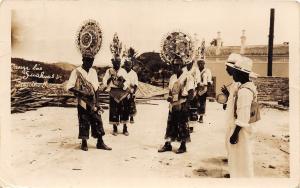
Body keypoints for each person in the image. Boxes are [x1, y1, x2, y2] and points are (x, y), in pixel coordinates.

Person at [66, 56, 112, 151]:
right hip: (82, 101)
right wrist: (82, 92)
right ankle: (84, 142)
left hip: (93, 100)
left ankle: (100, 142)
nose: (90, 63)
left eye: (91, 61)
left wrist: (97, 102)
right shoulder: (76, 72)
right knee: (83, 120)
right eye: (87, 60)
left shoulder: (93, 72)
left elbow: (96, 88)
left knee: (97, 120)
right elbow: (69, 87)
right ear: (83, 60)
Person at [226, 56, 258, 177]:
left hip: (241, 131)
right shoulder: (248, 86)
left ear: (240, 73)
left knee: (240, 161)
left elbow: (243, 116)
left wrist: (234, 134)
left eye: (234, 71)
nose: (232, 74)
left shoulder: (244, 91)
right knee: (242, 159)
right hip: (245, 129)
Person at [158, 58, 194, 154]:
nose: (174, 67)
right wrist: (169, 97)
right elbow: (170, 91)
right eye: (173, 65)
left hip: (182, 104)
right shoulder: (172, 77)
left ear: (182, 66)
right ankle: (168, 144)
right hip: (172, 105)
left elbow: (191, 93)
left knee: (182, 125)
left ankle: (183, 146)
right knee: (170, 124)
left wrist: (186, 104)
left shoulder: (188, 77)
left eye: (177, 65)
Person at [102, 57, 130, 136]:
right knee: (114, 110)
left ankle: (125, 128)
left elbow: (127, 82)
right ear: (113, 63)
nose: (117, 64)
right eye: (115, 63)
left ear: (120, 63)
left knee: (124, 109)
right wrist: (110, 78)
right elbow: (104, 82)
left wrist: (123, 80)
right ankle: (115, 128)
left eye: (118, 62)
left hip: (123, 92)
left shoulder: (123, 71)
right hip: (113, 92)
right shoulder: (109, 71)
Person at [222, 53, 242, 155]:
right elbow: (232, 99)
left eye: (227, 67)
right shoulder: (234, 82)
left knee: (235, 140)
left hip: (237, 118)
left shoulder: (239, 83)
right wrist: (227, 94)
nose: (226, 69)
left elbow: (238, 102)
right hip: (231, 118)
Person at [182, 60, 200, 132]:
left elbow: (198, 82)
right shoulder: (183, 69)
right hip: (184, 91)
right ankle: (184, 125)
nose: (189, 63)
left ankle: (191, 127)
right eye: (188, 62)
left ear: (193, 62)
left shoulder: (196, 70)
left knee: (192, 110)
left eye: (191, 62)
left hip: (193, 91)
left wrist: (197, 93)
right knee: (184, 109)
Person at [124, 59, 138, 124]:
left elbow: (136, 84)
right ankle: (125, 117)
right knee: (124, 105)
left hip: (131, 91)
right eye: (126, 65)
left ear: (131, 65)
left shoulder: (134, 74)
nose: (127, 66)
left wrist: (134, 92)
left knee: (131, 105)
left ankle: (131, 117)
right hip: (123, 90)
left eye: (129, 65)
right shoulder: (123, 72)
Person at [195, 59, 210, 123]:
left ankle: (201, 117)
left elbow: (209, 80)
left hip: (204, 89)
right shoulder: (196, 70)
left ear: (204, 64)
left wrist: (208, 88)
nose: (200, 64)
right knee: (195, 101)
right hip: (196, 88)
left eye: (202, 63)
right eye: (199, 63)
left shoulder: (207, 71)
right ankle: (195, 115)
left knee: (202, 102)